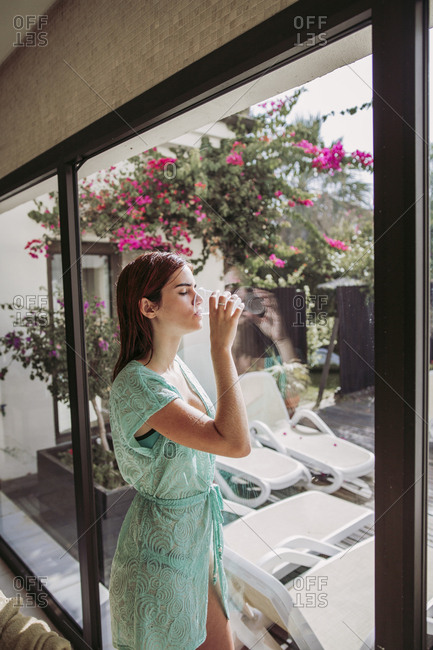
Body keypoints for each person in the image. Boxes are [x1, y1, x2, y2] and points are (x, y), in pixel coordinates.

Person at [108, 251, 251, 650]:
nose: (198, 300)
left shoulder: (176, 368)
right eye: (184, 291)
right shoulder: (137, 385)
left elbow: (226, 431)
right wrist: (221, 350)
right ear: (148, 306)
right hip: (156, 557)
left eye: (195, 289)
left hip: (194, 542)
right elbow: (235, 442)